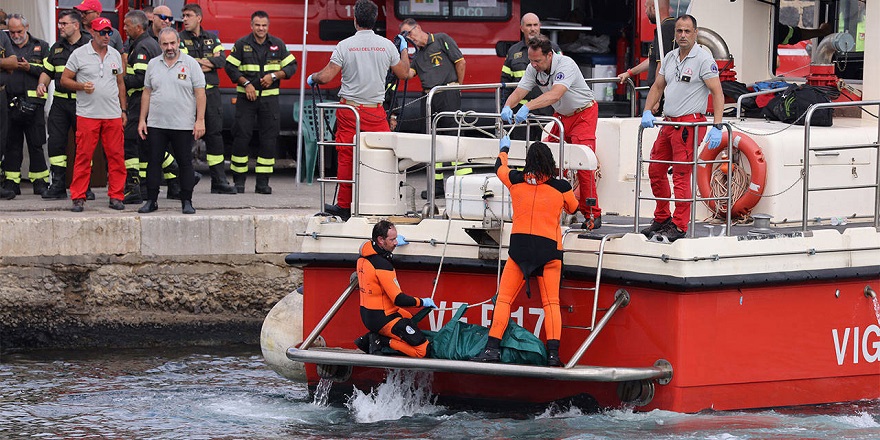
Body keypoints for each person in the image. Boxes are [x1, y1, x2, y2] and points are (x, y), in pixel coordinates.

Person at [471, 137, 579, 366]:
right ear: (550, 162)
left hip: (519, 251)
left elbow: (498, 167)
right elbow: (574, 207)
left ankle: (492, 350)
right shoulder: (561, 187)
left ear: (528, 161)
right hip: (548, 251)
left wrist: (504, 149)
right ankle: (553, 355)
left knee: (504, 300)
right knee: (551, 304)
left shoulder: (515, 179)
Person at [307, 0, 410, 220]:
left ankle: (344, 206)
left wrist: (313, 78)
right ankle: (382, 201)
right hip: (376, 112)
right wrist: (404, 51)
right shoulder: (387, 46)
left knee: (346, 156)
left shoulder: (344, 45)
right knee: (383, 154)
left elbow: (326, 77)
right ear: (374, 20)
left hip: (349, 111)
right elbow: (403, 73)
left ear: (355, 20)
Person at [501, 35, 602, 231]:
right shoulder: (533, 68)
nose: (534, 65)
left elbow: (555, 94)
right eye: (531, 60)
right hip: (562, 115)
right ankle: (555, 206)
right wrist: (507, 107)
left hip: (583, 114)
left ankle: (592, 215)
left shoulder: (566, 65)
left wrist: (527, 108)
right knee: (549, 160)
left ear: (549, 55)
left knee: (584, 165)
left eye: (537, 61)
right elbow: (520, 91)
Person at [639, 14, 725, 242]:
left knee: (681, 175)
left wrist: (717, 125)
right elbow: (658, 86)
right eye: (679, 31)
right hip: (669, 122)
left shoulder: (704, 59)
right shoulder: (669, 57)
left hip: (690, 124)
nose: (683, 35)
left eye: (687, 31)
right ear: (675, 34)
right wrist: (647, 110)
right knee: (655, 170)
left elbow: (717, 93)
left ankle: (679, 225)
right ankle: (662, 217)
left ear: (695, 33)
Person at [225, 10, 296, 194]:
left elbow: (292, 66)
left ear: (268, 26)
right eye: (257, 25)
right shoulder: (242, 44)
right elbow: (230, 67)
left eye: (264, 25)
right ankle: (238, 182)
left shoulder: (277, 45)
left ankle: (262, 183)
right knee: (241, 137)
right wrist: (246, 83)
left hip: (269, 100)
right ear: (251, 25)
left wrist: (274, 75)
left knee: (269, 140)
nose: (261, 28)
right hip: (246, 99)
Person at [60, 17, 127, 212]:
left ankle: (116, 196)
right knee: (83, 157)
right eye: (102, 33)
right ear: (92, 33)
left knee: (116, 157)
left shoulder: (115, 54)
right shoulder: (79, 54)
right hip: (88, 114)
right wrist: (81, 86)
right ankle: (78, 197)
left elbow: (120, 83)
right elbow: (64, 80)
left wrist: (123, 110)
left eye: (109, 33)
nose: (106, 36)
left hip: (113, 114)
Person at [137, 28, 206, 215]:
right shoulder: (153, 64)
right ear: (160, 45)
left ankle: (187, 201)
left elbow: (200, 93)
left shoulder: (191, 64)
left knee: (185, 163)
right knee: (153, 162)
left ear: (178, 43)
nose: (169, 47)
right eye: (165, 44)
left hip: (182, 124)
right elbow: (147, 92)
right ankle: (151, 201)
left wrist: (200, 120)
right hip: (156, 123)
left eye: (172, 43)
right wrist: (142, 119)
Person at [398, 18, 467, 199]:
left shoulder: (441, 39)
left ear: (418, 28)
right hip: (429, 98)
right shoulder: (417, 56)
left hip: (447, 93)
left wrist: (458, 87)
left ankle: (462, 185)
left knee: (453, 138)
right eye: (406, 36)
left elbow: (461, 62)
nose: (410, 37)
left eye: (409, 33)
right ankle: (436, 187)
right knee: (432, 142)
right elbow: (406, 74)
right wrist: (403, 49)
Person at [355, 219, 436, 358]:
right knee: (423, 350)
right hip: (383, 319)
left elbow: (368, 247)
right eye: (392, 239)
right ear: (381, 240)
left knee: (409, 318)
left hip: (369, 313)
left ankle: (379, 336)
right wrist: (422, 302)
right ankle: (382, 341)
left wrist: (391, 244)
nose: (396, 242)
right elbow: (399, 299)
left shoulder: (364, 254)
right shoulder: (383, 265)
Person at [180, 3, 236, 195]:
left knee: (215, 136)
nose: (184, 19)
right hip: (188, 95)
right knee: (184, 137)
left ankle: (219, 181)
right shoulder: (179, 39)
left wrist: (198, 62)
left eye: (188, 15)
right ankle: (182, 181)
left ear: (199, 17)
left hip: (211, 95)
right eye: (183, 15)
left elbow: (221, 61)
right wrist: (207, 62)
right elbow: (184, 63)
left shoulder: (212, 38)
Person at [36, 9, 90, 200]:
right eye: (59, 23)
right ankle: (58, 184)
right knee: (56, 143)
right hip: (59, 103)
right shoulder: (57, 47)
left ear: (76, 25)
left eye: (64, 24)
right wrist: (42, 83)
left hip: (83, 103)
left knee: (84, 145)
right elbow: (47, 70)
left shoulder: (90, 45)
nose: (60, 27)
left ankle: (85, 187)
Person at [3, 14, 50, 196]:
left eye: (19, 31)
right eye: (12, 32)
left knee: (36, 143)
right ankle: (12, 182)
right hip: (10, 103)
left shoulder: (41, 46)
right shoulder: (5, 46)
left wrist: (29, 68)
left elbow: (48, 70)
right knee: (12, 144)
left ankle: (40, 181)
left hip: (34, 104)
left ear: (27, 26)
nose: (15, 35)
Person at [121, 9, 161, 204]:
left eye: (127, 25)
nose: (124, 28)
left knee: (130, 142)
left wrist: (120, 79)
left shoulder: (143, 47)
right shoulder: (147, 43)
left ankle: (133, 186)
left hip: (139, 102)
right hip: (146, 102)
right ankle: (144, 186)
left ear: (138, 27)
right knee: (146, 146)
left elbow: (139, 79)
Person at [500, 13, 561, 140]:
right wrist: (505, 107)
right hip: (519, 112)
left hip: (545, 111)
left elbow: (560, 81)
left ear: (540, 26)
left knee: (546, 148)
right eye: (529, 25)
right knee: (520, 149)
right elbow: (505, 81)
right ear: (521, 28)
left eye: (535, 25)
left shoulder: (552, 49)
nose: (532, 29)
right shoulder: (513, 51)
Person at [617, 0, 675, 114]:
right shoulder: (664, 27)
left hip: (663, 96)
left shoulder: (665, 29)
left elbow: (661, 64)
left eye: (646, 8)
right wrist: (629, 73)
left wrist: (656, 99)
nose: (645, 12)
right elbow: (652, 60)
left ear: (653, 8)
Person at [0, 25, 19, 200]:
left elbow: (13, 63)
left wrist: (7, 64)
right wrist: (3, 63)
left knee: (1, 139)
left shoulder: (2, 36)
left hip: (1, 93)